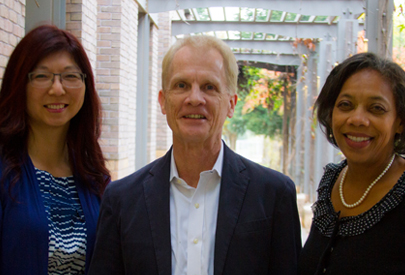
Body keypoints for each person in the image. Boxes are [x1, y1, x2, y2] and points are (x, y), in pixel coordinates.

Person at [89, 35, 301, 275]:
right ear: (163, 101)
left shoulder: (274, 195)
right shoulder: (121, 200)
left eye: (209, 87)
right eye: (181, 85)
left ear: (231, 104)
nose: (194, 99)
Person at [0, 25, 110, 274]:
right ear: (19, 84)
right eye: (41, 76)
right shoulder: (4, 171)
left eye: (70, 76)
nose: (57, 89)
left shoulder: (95, 177)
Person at [298, 52, 405, 274]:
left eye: (376, 108)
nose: (357, 119)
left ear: (400, 123)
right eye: (345, 105)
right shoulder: (331, 181)